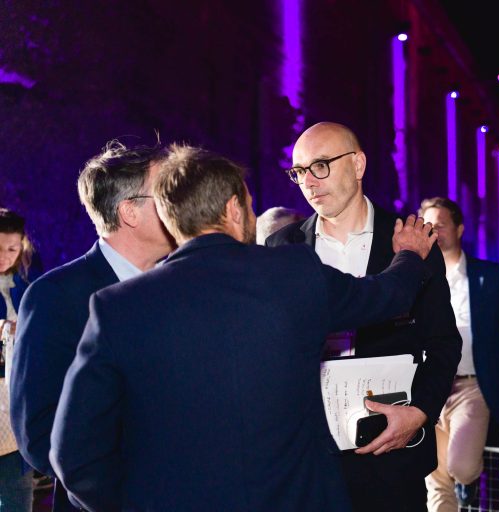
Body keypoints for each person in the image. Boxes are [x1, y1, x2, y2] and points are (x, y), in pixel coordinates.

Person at [49, 144, 437, 512]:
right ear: (234, 209)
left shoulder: (118, 306)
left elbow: (75, 455)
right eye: (250, 205)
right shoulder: (294, 274)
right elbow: (386, 297)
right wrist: (409, 255)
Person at [267, 122, 462, 511]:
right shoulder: (281, 247)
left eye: (320, 165)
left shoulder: (413, 241)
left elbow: (443, 344)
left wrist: (419, 413)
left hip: (390, 456)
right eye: (299, 171)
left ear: (357, 165)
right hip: (308, 460)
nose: (308, 181)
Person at [10, 140, 175, 511]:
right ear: (129, 212)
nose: (183, 203)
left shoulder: (182, 286)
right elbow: (39, 437)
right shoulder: (55, 297)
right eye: (168, 194)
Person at [418, 197, 499, 511]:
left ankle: (466, 483)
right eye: (429, 225)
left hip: (471, 387)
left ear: (459, 228)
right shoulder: (416, 280)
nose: (435, 231)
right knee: (435, 482)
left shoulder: (490, 276)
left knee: (461, 467)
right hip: (428, 389)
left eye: (442, 224)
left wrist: (495, 356)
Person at [0, 208, 41, 512]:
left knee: (18, 501)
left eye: (12, 249)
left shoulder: (26, 290)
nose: (4, 256)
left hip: (14, 416)